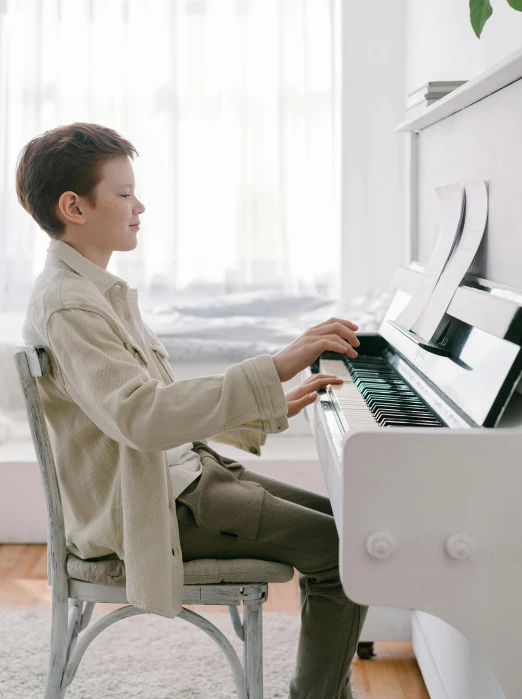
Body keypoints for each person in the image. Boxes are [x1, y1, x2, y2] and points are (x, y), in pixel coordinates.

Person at [16, 122, 368, 699]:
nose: (140, 206)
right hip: (152, 508)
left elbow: (154, 402)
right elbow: (140, 415)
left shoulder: (92, 290)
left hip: (179, 478)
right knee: (341, 549)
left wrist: (263, 406)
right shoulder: (68, 306)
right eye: (125, 194)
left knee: (351, 526)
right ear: (74, 206)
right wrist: (272, 367)